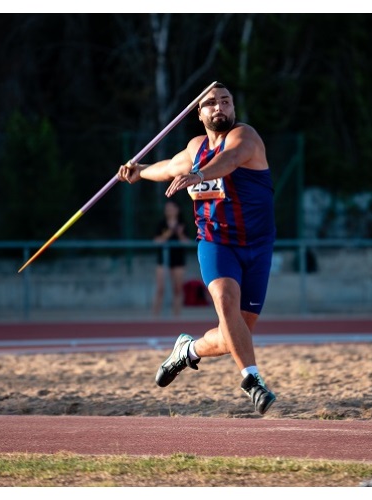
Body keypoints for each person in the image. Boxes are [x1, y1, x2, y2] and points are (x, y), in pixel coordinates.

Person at [118, 82, 276, 414]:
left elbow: (230, 161)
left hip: (258, 246)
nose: (220, 108)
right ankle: (252, 381)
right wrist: (141, 172)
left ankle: (187, 351)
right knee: (225, 299)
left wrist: (199, 174)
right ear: (199, 113)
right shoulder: (194, 148)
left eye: (226, 101)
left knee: (236, 334)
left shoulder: (245, 137)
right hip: (217, 242)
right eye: (212, 103)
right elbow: (170, 168)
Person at [152, 200, 191, 317]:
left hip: (178, 259)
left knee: (178, 288)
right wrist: (169, 232)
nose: (169, 211)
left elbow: (187, 242)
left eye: (171, 208)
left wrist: (179, 233)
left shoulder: (182, 224)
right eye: (167, 209)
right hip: (163, 259)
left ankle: (176, 317)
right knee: (160, 288)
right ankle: (155, 317)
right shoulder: (162, 224)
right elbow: (156, 241)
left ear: (177, 210)